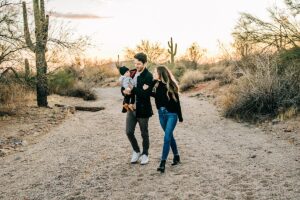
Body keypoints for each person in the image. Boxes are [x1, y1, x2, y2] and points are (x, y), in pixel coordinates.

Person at [122, 53, 153, 165]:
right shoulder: (132, 72)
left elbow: (145, 95)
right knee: (129, 131)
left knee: (144, 133)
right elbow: (125, 86)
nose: (136, 65)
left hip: (143, 109)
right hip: (131, 108)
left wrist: (133, 89)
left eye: (139, 64)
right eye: (135, 63)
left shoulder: (148, 76)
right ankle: (136, 151)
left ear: (145, 63)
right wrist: (124, 91)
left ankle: (145, 154)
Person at [150, 66, 183, 173]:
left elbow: (177, 103)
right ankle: (176, 156)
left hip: (172, 115)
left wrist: (180, 117)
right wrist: (151, 83)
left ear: (160, 73)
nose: (154, 73)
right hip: (161, 114)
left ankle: (162, 163)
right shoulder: (156, 84)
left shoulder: (172, 85)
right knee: (170, 136)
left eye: (155, 72)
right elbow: (150, 94)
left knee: (166, 137)